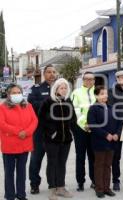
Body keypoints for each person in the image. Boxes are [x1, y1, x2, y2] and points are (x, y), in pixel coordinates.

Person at [39, 78, 76, 200]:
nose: (64, 90)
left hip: (66, 140)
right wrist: (52, 132)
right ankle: (52, 189)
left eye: (65, 88)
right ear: (56, 89)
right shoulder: (48, 102)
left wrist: (71, 131)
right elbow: (42, 120)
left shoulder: (68, 101)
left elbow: (73, 119)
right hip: (52, 140)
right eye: (61, 88)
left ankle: (61, 187)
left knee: (62, 163)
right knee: (52, 163)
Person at [0, 84, 38, 200]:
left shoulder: (28, 106)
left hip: (24, 144)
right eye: (14, 93)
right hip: (9, 145)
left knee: (22, 172)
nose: (16, 95)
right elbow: (2, 124)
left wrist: (26, 132)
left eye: (18, 92)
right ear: (8, 95)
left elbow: (34, 121)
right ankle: (10, 195)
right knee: (9, 172)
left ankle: (21, 194)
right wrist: (18, 132)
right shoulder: (3, 107)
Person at [87, 86, 121, 198]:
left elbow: (119, 123)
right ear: (96, 96)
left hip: (112, 142)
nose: (105, 96)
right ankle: (99, 189)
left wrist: (117, 134)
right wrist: (106, 135)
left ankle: (107, 188)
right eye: (102, 94)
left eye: (106, 93)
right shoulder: (93, 108)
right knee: (99, 165)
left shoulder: (111, 108)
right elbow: (92, 125)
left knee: (108, 165)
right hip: (99, 142)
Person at [28, 64, 57, 194]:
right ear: (44, 74)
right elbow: (31, 105)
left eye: (54, 72)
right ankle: (34, 184)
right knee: (36, 159)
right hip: (39, 130)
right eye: (49, 72)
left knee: (55, 160)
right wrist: (49, 101)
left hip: (55, 130)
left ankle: (55, 183)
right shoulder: (36, 89)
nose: (52, 74)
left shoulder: (60, 88)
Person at [71, 71, 96, 191]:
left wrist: (94, 125)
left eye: (92, 79)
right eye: (87, 79)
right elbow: (75, 110)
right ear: (83, 80)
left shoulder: (98, 92)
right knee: (80, 156)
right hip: (80, 129)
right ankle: (80, 182)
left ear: (94, 80)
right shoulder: (76, 92)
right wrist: (84, 124)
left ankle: (94, 180)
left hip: (95, 129)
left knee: (93, 156)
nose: (89, 81)